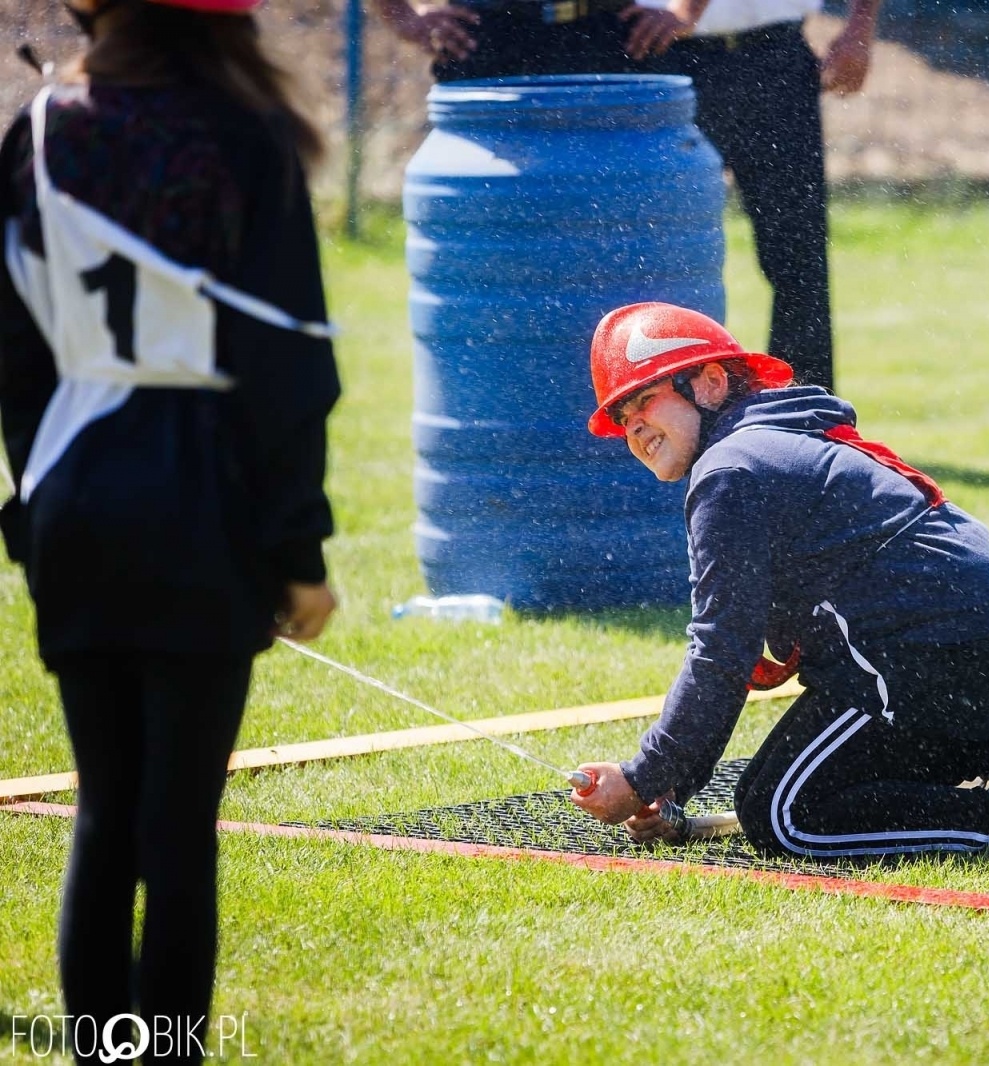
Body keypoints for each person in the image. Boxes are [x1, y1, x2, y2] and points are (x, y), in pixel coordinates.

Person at [0, 0, 340, 1059]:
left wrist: (37, 499)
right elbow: (289, 367)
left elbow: (16, 351)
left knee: (105, 815)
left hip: (75, 501)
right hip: (207, 508)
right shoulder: (249, 132)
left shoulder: (39, 127)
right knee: (179, 829)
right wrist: (299, 552)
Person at [568, 302, 989, 857]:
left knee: (783, 814)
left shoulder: (729, 471)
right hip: (973, 639)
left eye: (645, 399)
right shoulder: (770, 439)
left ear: (712, 383)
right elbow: (731, 654)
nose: (634, 426)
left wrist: (643, 776)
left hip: (930, 650)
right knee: (767, 789)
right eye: (622, 418)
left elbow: (721, 651)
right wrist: (671, 785)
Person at [374, 0, 876, 391]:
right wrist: (400, 16)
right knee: (611, 257)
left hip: (755, 52)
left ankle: (804, 427)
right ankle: (616, 409)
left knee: (793, 256)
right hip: (645, 49)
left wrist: (859, 26)